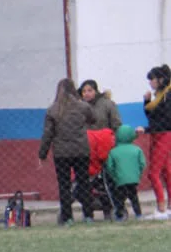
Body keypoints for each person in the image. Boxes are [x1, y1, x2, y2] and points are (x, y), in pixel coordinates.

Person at [38, 79, 97, 225]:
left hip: (61, 153)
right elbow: (93, 119)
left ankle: (68, 217)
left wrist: (42, 154)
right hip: (81, 150)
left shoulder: (53, 110)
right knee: (84, 182)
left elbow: (48, 134)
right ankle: (88, 215)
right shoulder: (83, 107)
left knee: (64, 185)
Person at [139, 64, 171, 219]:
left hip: (164, 135)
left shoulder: (168, 96)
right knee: (166, 171)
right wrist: (146, 102)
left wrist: (146, 129)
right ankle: (168, 206)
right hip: (157, 135)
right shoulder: (158, 96)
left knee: (154, 173)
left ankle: (161, 207)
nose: (150, 83)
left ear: (161, 79)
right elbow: (152, 117)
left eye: (152, 80)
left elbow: (166, 121)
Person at [105, 124, 146, 221]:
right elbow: (142, 164)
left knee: (120, 199)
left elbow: (110, 167)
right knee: (134, 197)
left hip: (120, 179)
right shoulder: (137, 150)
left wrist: (115, 177)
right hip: (133, 179)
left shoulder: (113, 152)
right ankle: (138, 215)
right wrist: (137, 175)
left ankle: (119, 215)